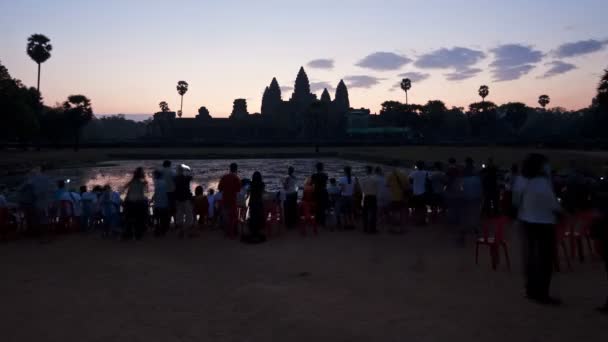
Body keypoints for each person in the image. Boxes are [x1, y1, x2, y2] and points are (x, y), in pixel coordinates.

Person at [517, 153, 562, 306]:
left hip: (527, 221)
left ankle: (531, 290)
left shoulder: (524, 181)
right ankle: (543, 294)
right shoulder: (542, 183)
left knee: (531, 258)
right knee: (544, 260)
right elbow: (554, 205)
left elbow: (516, 201)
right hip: (544, 224)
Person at [123, 167, 149, 240]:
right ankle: (138, 234)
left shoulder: (131, 182)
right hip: (139, 202)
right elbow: (145, 193)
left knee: (129, 219)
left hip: (130, 202)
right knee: (139, 219)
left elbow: (125, 189)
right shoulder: (143, 182)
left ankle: (128, 234)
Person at [461, 158, 483, 241]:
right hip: (475, 196)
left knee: (466, 214)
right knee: (475, 213)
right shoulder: (477, 176)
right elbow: (480, 189)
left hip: (466, 196)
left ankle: (466, 229)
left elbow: (461, 187)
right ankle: (475, 228)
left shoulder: (464, 174)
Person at [218, 163, 241, 238]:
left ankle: (227, 232)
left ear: (230, 168)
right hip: (232, 200)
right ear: (236, 169)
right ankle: (232, 234)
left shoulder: (224, 177)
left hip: (225, 199)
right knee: (233, 217)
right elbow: (238, 190)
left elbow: (220, 188)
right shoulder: (236, 178)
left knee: (226, 217)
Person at [243, 171, 266, 243]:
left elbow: (248, 193)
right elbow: (263, 193)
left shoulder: (251, 184)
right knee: (258, 217)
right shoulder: (262, 184)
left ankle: (252, 231)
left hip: (252, 203)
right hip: (259, 203)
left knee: (252, 217)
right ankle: (258, 231)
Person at [174, 164, 195, 238]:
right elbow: (192, 175)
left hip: (178, 198)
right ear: (183, 171)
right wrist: (188, 169)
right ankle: (188, 232)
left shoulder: (175, 179)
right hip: (186, 198)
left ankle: (181, 231)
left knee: (179, 215)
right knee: (189, 215)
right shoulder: (186, 178)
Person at [360, 165, 379, 234]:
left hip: (366, 196)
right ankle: (372, 228)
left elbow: (362, 189)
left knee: (365, 213)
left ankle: (365, 228)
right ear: (372, 171)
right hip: (373, 197)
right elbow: (377, 189)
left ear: (366, 171)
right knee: (373, 213)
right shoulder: (375, 179)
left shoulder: (363, 179)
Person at [409, 161, 429, 226]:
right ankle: (423, 221)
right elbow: (427, 181)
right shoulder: (425, 173)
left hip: (415, 193)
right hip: (423, 193)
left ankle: (416, 221)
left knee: (416, 208)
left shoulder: (413, 173)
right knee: (423, 208)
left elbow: (410, 180)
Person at [445, 158, 463, 225]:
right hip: (458, 190)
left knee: (451, 207)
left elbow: (446, 181)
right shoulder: (458, 170)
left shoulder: (448, 171)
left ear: (449, 162)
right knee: (457, 206)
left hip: (451, 190)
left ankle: (452, 221)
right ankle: (457, 220)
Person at [152, 170, 170, 236]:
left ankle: (157, 229)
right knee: (163, 218)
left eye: (154, 175)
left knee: (156, 218)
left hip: (158, 204)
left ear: (156, 175)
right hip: (164, 203)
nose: (153, 177)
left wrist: (152, 199)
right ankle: (163, 231)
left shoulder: (156, 182)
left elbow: (156, 192)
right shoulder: (164, 182)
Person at [311, 162, 329, 227]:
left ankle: (317, 220)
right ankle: (323, 221)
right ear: (322, 168)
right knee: (323, 206)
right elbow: (325, 183)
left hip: (317, 191)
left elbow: (312, 183)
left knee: (317, 206)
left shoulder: (314, 175)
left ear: (316, 168)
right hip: (324, 191)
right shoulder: (325, 175)